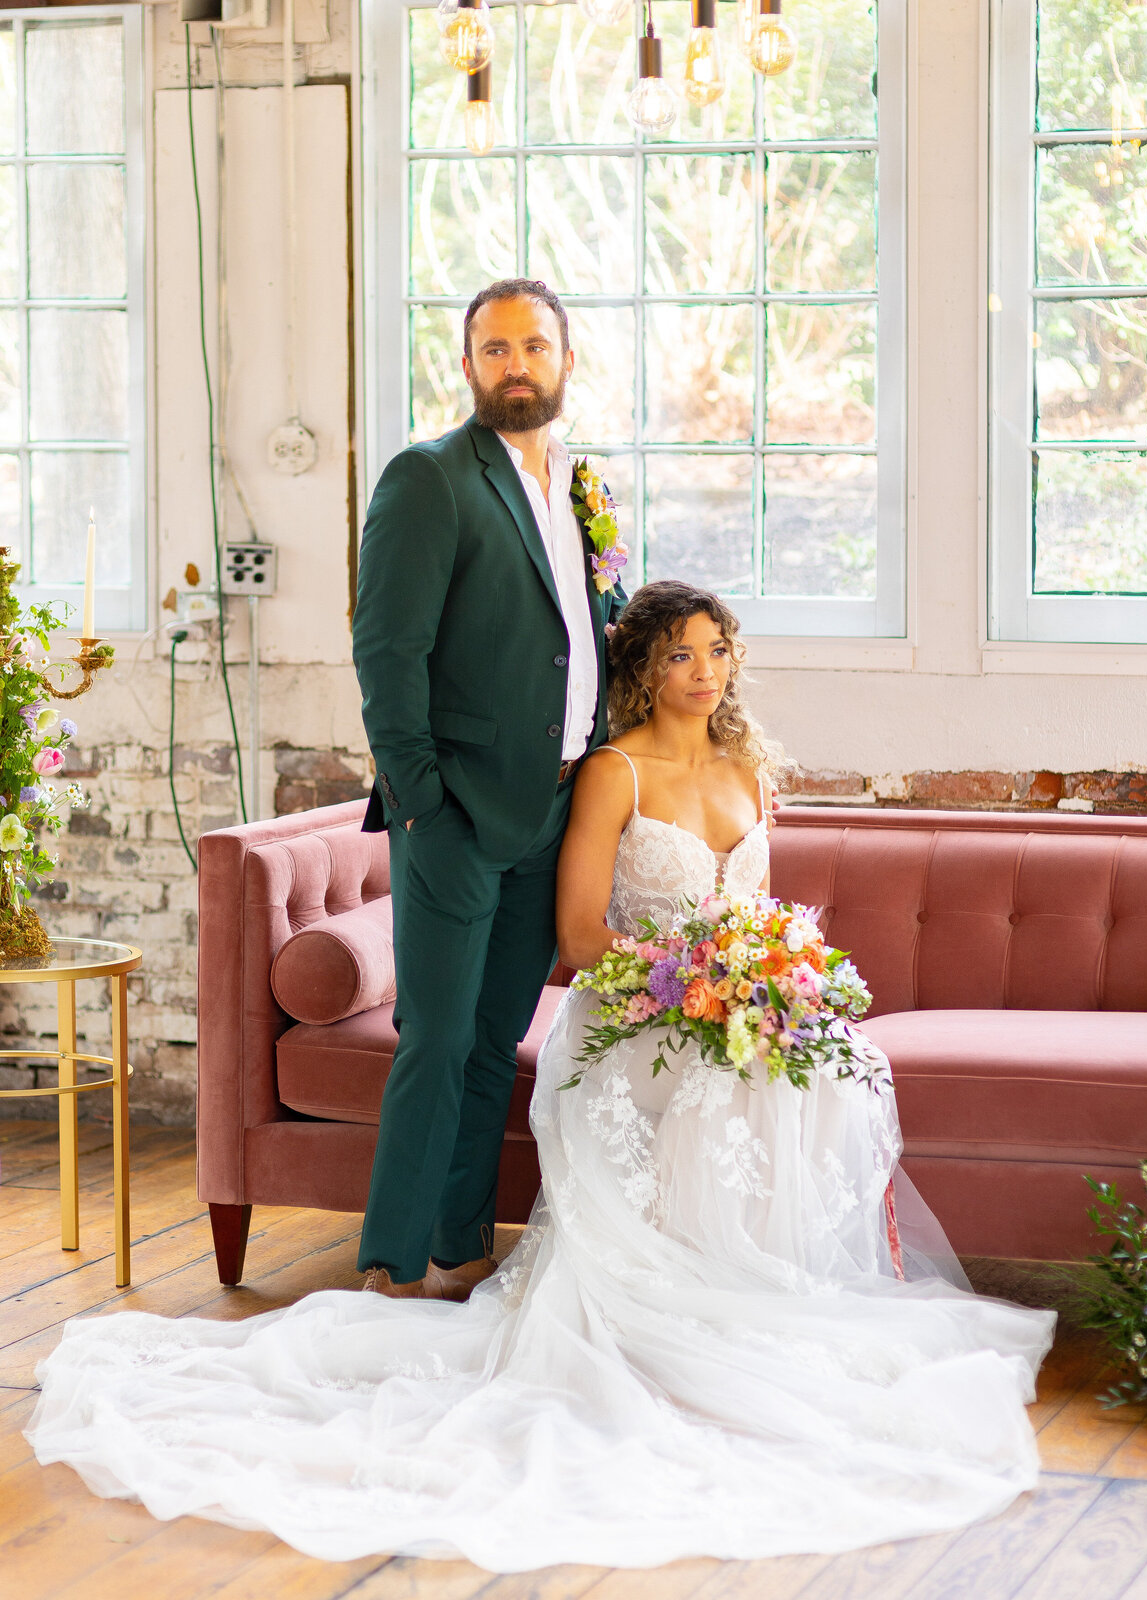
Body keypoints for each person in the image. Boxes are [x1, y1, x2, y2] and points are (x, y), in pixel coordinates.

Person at [27, 582, 1055, 1572]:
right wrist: (687, 988)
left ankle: (753, 1288)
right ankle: (670, 1305)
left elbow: (758, 915)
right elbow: (576, 933)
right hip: (632, 1010)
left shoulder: (750, 770)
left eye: (717, 648)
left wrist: (760, 987)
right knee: (707, 1085)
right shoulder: (616, 770)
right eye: (678, 652)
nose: (702, 669)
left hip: (722, 1004)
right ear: (643, 669)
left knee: (829, 1072)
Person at [351, 277, 624, 1300]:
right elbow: (386, 648)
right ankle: (390, 1259)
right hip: (455, 810)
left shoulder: (578, 487)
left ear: (567, 360)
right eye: (496, 349)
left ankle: (460, 1244)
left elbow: (588, 636)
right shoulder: (428, 480)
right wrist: (422, 797)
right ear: (467, 366)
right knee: (435, 1036)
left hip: (556, 811)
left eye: (536, 347)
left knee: (494, 1040)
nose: (517, 365)